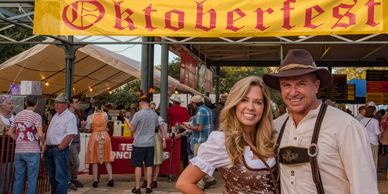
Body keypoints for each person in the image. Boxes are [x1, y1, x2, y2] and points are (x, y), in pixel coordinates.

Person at [263, 49, 378, 193]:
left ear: (316, 86)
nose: (293, 92)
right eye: (286, 85)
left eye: (301, 84)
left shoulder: (345, 126)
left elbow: (364, 187)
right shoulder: (276, 126)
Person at [176, 76, 277, 193]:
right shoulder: (222, 141)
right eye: (244, 100)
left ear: (264, 108)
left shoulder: (270, 137)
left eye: (258, 102)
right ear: (234, 104)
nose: (250, 107)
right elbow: (184, 183)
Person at [125, 94, 161, 194]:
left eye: (140, 103)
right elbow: (157, 127)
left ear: (142, 103)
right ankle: (149, 187)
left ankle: (137, 188)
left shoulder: (138, 114)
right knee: (149, 165)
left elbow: (132, 129)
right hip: (150, 143)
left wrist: (127, 122)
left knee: (138, 166)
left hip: (138, 143)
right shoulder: (154, 114)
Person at [179, 94, 216, 190]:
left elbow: (199, 128)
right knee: (204, 161)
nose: (192, 105)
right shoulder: (208, 109)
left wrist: (190, 127)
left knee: (198, 163)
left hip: (200, 140)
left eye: (192, 103)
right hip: (207, 139)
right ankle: (209, 178)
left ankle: (200, 185)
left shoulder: (200, 111)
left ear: (195, 104)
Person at [8, 95, 44, 194]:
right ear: (36, 104)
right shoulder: (36, 116)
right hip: (32, 151)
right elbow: (40, 134)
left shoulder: (18, 115)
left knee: (18, 178)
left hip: (19, 151)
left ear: (25, 103)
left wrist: (19, 139)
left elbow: (10, 132)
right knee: (32, 179)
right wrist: (43, 144)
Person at [44, 93, 78, 194]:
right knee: (51, 175)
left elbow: (70, 134)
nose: (55, 105)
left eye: (58, 103)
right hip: (50, 149)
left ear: (65, 105)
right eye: (55, 103)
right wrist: (46, 147)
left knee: (60, 176)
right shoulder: (55, 115)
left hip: (59, 150)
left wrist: (60, 148)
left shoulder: (70, 116)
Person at [84, 105, 114, 188]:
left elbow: (87, 128)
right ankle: (111, 179)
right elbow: (106, 124)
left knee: (94, 159)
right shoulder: (105, 115)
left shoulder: (90, 116)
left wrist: (85, 125)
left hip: (95, 137)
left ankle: (95, 180)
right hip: (105, 136)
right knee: (107, 158)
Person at [140, 102, 167, 189]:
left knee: (157, 161)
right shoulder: (145, 117)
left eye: (154, 108)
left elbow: (162, 130)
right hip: (146, 138)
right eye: (151, 108)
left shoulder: (158, 118)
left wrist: (164, 140)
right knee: (145, 161)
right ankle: (146, 180)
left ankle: (154, 180)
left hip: (155, 138)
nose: (152, 109)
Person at [167, 95, 190, 168]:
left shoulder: (169, 109)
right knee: (184, 149)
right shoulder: (185, 109)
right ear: (179, 103)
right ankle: (185, 166)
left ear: (173, 102)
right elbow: (187, 120)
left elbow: (167, 120)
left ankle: (174, 167)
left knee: (174, 149)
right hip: (184, 129)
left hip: (174, 130)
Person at [67, 97, 84, 190]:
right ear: (71, 104)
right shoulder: (68, 114)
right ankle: (71, 179)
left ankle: (72, 179)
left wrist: (83, 126)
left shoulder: (75, 114)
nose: (77, 104)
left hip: (77, 140)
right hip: (71, 141)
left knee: (71, 162)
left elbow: (77, 128)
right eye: (76, 102)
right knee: (75, 162)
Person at [0, 94, 14, 194]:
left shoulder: (14, 117)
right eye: (9, 103)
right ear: (1, 105)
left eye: (12, 103)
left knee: (11, 178)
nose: (12, 105)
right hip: (2, 154)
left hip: (14, 154)